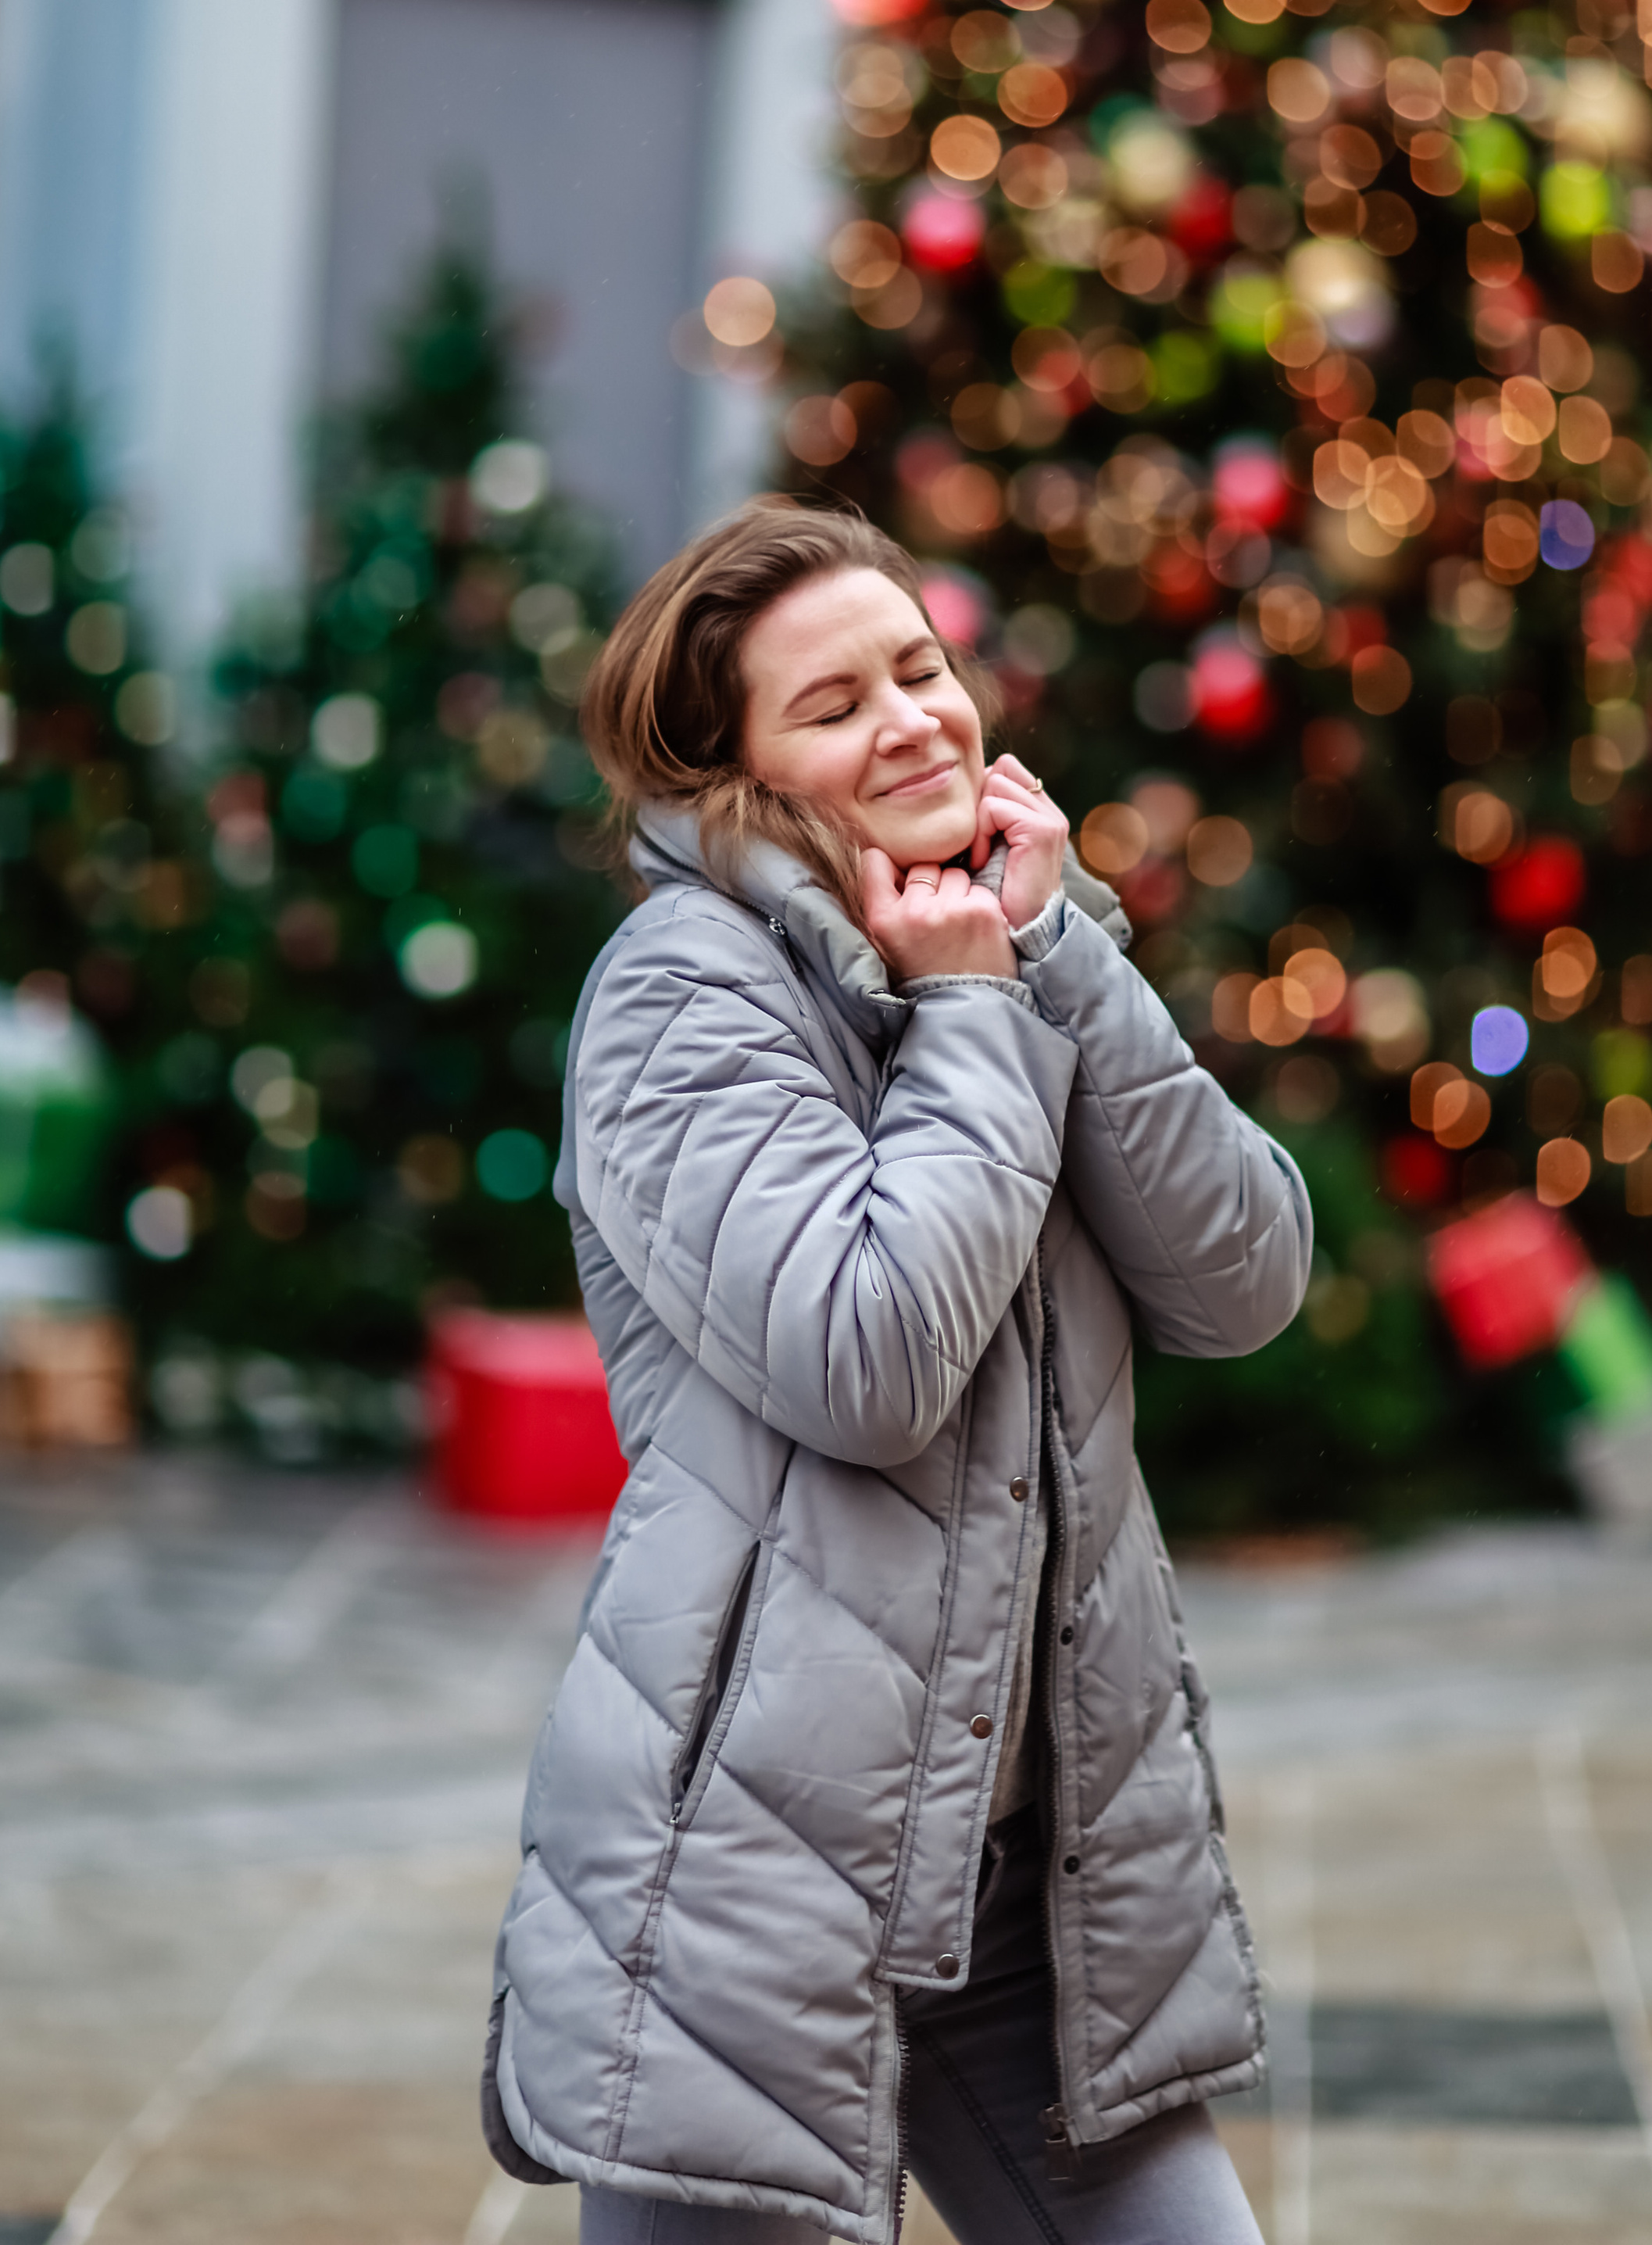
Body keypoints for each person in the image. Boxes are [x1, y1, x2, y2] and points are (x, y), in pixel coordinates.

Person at [482, 499, 1311, 2245]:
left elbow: (1243, 1283)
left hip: (1022, 1889)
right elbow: (867, 1358)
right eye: (837, 703)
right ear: (741, 777)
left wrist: (1060, 957)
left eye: (920, 669)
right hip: (754, 1889)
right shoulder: (677, 996)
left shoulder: (1012, 956)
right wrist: (975, 1017)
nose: (914, 718)